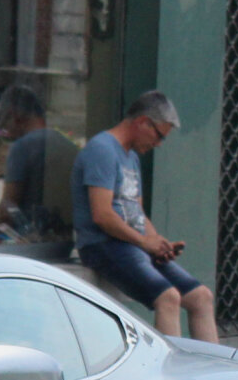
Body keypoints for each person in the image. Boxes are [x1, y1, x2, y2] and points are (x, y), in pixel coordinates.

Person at [72, 89, 218, 342]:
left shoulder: (131, 157)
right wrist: (143, 242)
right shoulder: (102, 150)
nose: (158, 144)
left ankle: (215, 375)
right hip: (104, 244)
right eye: (159, 136)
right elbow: (102, 215)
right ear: (142, 122)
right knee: (168, 297)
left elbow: (136, 212)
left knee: (201, 297)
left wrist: (157, 242)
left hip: (132, 243)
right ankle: (171, 379)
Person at [0, 85, 79, 248]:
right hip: (63, 243)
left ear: (15, 116)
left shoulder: (22, 147)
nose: (1, 129)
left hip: (30, 244)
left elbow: (8, 206)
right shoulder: (67, 145)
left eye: (2, 119)